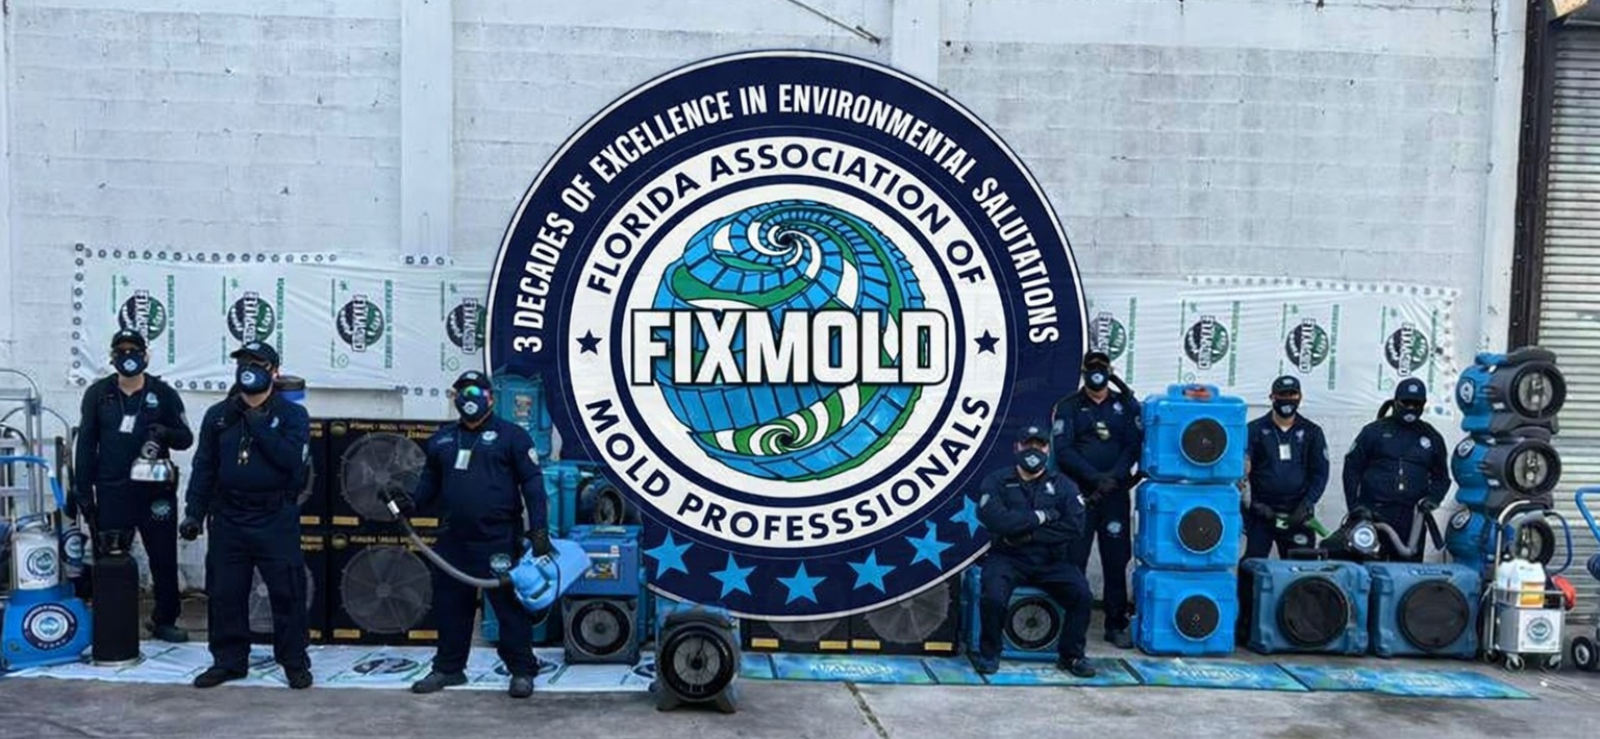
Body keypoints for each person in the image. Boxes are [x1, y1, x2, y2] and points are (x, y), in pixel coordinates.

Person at [389, 370, 549, 699]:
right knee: (450, 606)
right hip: (452, 540)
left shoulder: (512, 436)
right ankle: (449, 668)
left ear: (491, 398)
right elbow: (429, 486)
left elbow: (533, 485)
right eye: (462, 392)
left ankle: (521, 670)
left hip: (497, 539)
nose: (469, 398)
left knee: (508, 607)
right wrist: (410, 503)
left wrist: (539, 530)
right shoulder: (442, 440)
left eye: (476, 391)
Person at [181, 341, 313, 689]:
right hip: (229, 518)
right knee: (225, 594)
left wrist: (259, 424)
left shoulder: (293, 415)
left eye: (257, 363)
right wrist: (194, 512)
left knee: (287, 593)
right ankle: (228, 661)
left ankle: (294, 662)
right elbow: (204, 466)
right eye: (243, 363)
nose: (248, 369)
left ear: (274, 372)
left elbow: (292, 464)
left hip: (274, 517)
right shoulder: (218, 415)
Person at [71, 329, 195, 643]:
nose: (128, 356)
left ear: (145, 355)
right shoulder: (98, 393)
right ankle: (114, 619)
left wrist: (165, 432)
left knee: (163, 558)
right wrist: (82, 489)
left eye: (134, 350)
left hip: (156, 492)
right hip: (112, 490)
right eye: (122, 351)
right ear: (113, 357)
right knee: (110, 559)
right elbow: (86, 444)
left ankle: (165, 619)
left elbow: (186, 438)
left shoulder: (163, 393)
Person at [973, 425, 1095, 677]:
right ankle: (989, 654)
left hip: (1051, 560)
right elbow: (995, 520)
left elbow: (1074, 526)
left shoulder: (1063, 485)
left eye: (1039, 445)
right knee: (993, 596)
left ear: (1048, 449)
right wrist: (1042, 516)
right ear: (1017, 447)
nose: (1033, 450)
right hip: (1008, 557)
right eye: (1028, 444)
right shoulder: (997, 481)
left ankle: (1071, 656)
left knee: (1082, 595)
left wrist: (1028, 534)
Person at [1050, 351, 1141, 650]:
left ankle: (1116, 623)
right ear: (1084, 372)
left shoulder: (1125, 405)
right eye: (1092, 368)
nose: (1097, 373)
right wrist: (1094, 478)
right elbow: (1064, 451)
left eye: (1102, 368)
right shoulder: (1069, 406)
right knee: (1073, 559)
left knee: (1116, 560)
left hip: (1114, 496)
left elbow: (1133, 446)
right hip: (1080, 496)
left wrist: (1113, 478)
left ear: (1110, 371)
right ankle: (1070, 624)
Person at [1342, 378, 1450, 562]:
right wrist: (1355, 507)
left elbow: (1442, 478)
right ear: (1395, 401)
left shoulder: (1431, 437)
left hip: (1412, 518)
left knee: (1407, 570)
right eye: (1406, 402)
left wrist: (1433, 499)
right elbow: (1352, 469)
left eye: (1416, 404)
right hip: (1374, 513)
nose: (1411, 408)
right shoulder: (1374, 431)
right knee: (1369, 567)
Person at [1241, 375, 1329, 558]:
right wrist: (1254, 504)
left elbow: (1320, 473)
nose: (1287, 399)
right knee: (1252, 564)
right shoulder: (1254, 430)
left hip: (1297, 514)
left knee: (1302, 566)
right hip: (1262, 514)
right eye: (1282, 395)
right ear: (1272, 397)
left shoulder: (1312, 432)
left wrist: (1307, 504)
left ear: (1300, 397)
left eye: (1292, 394)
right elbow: (1242, 470)